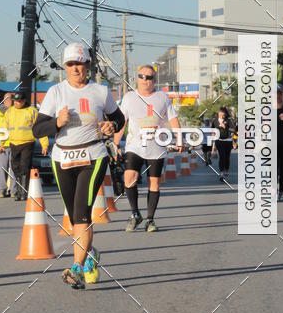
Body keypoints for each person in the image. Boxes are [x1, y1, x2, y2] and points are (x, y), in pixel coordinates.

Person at [32, 42, 125, 289]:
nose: (76, 69)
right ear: (65, 67)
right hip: (62, 158)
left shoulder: (100, 92)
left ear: (88, 65)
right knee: (75, 219)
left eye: (80, 64)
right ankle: (90, 256)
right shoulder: (56, 92)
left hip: (93, 157)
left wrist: (111, 126)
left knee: (83, 213)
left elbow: (118, 117)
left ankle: (76, 269)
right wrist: (57, 123)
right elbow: (37, 129)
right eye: (71, 64)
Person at [114, 65, 181, 233]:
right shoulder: (129, 97)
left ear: (154, 80)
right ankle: (135, 213)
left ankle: (150, 220)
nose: (145, 80)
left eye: (149, 77)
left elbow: (173, 119)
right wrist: (115, 144)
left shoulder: (162, 97)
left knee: (154, 183)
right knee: (129, 177)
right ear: (137, 78)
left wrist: (179, 139)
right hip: (134, 146)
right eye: (141, 76)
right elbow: (121, 122)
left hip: (156, 147)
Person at [4, 90, 48, 200]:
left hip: (27, 143)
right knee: (15, 168)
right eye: (15, 101)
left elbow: (40, 129)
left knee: (24, 167)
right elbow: (4, 129)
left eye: (19, 101)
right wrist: (1, 144)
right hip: (14, 143)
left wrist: (44, 144)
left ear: (24, 101)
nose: (17, 103)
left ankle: (23, 193)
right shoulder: (9, 112)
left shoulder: (32, 111)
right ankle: (18, 192)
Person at [0, 93, 13, 197]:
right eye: (5, 99)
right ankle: (2, 190)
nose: (7, 101)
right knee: (3, 169)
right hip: (3, 145)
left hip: (15, 143)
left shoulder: (16, 111)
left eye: (9, 99)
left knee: (14, 169)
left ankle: (13, 191)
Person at [212, 106, 234, 182]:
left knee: (227, 157)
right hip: (219, 141)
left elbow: (233, 129)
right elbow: (213, 131)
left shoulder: (229, 120)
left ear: (225, 114)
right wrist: (213, 148)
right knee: (222, 157)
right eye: (220, 112)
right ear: (219, 113)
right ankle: (221, 173)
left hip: (228, 141)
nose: (221, 114)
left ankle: (226, 170)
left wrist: (225, 127)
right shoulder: (215, 121)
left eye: (223, 113)